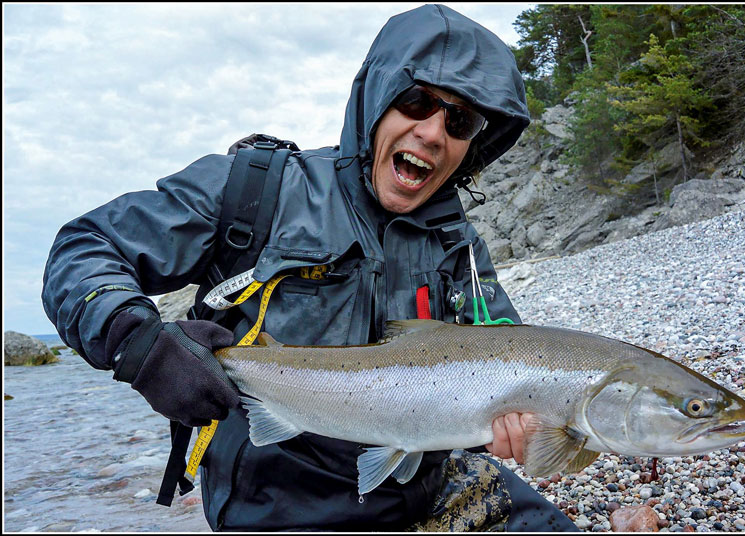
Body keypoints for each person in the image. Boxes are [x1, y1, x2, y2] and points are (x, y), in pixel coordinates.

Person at [42, 4, 578, 532]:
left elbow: (508, 351)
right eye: (417, 101)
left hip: (421, 488)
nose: (433, 133)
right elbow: (85, 248)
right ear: (378, 98)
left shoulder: (458, 246)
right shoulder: (258, 190)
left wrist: (521, 425)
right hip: (279, 508)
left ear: (472, 144)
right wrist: (141, 344)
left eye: (460, 120)